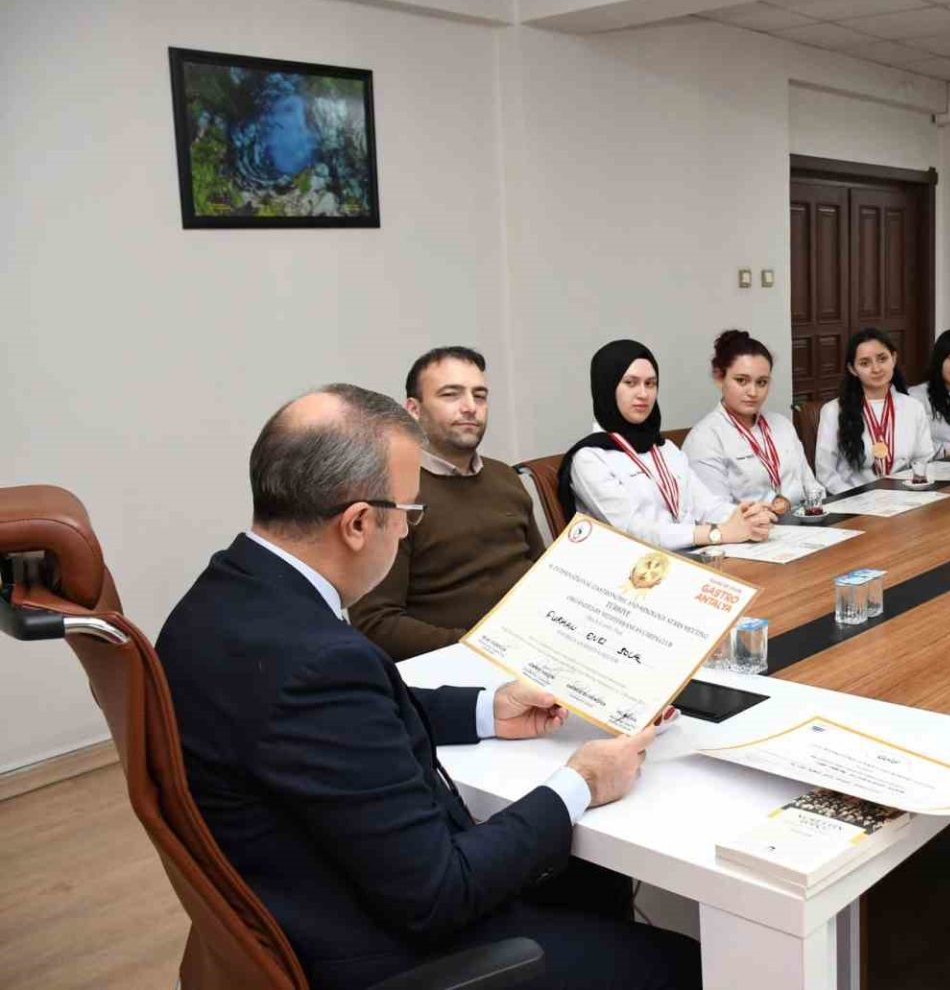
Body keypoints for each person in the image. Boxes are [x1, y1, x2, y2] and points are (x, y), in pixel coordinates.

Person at [156, 384, 700, 990]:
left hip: (304, 891)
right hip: (391, 951)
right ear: (358, 523)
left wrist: (489, 709)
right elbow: (441, 892)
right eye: (409, 514)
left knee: (594, 880)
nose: (407, 531)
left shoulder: (216, 599)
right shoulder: (319, 663)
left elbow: (339, 724)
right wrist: (583, 781)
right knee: (690, 965)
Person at [351, 346, 543, 661]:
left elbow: (543, 576)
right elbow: (375, 623)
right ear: (413, 410)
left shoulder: (505, 476)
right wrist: (482, 649)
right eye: (451, 395)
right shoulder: (388, 493)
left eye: (479, 396)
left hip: (536, 652)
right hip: (458, 668)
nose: (470, 407)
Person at [559, 339, 772, 551]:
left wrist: (746, 516)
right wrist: (717, 533)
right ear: (606, 386)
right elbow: (634, 531)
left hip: (692, 555)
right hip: (638, 565)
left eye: (650, 383)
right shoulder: (590, 458)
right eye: (630, 383)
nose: (643, 394)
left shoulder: (664, 448)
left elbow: (706, 505)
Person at [683, 329, 822, 515]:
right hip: (749, 530)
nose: (753, 392)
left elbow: (813, 488)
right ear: (719, 377)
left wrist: (789, 502)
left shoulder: (782, 425)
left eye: (762, 382)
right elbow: (714, 513)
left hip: (804, 523)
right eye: (742, 381)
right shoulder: (704, 439)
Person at [814, 327, 936, 494]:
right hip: (855, 501)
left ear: (894, 358)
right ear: (852, 369)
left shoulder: (913, 407)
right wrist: (856, 499)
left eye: (882, 359)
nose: (876, 369)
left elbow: (924, 460)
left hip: (905, 497)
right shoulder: (833, 411)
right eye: (865, 363)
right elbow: (826, 474)